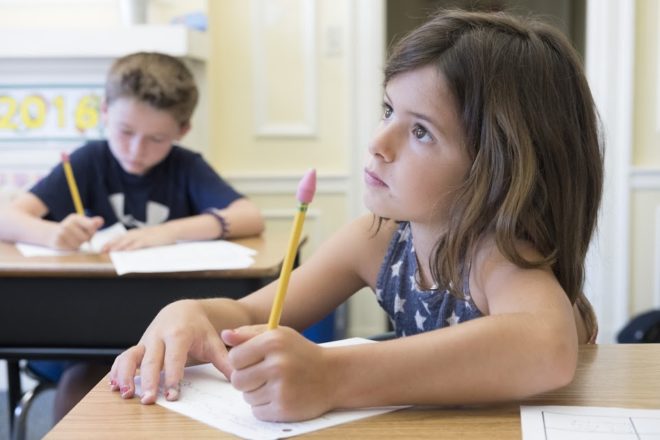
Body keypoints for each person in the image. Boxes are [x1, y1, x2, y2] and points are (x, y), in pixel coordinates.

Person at [109, 9, 602, 422]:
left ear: (497, 165)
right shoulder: (377, 240)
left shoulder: (499, 254)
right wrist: (191, 314)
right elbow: (249, 315)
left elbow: (547, 347)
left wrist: (331, 376)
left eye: (422, 132)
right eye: (389, 110)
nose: (378, 143)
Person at [0, 52, 264, 421]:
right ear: (104, 112)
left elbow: (248, 216)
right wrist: (53, 234)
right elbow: (7, 218)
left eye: (157, 138)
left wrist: (167, 232)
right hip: (86, 327)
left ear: (182, 130)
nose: (137, 151)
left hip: (161, 323)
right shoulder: (87, 161)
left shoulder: (185, 167)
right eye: (125, 132)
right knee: (82, 386)